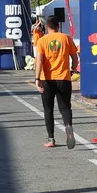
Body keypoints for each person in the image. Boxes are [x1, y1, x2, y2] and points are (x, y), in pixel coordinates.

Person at [36, 14, 79, 149]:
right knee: (65, 107)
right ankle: (68, 126)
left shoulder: (42, 40)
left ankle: (51, 139)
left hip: (47, 79)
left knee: (48, 109)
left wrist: (37, 78)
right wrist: (73, 69)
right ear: (58, 26)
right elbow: (75, 57)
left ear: (47, 27)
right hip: (64, 78)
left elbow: (39, 61)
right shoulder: (66, 38)